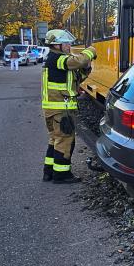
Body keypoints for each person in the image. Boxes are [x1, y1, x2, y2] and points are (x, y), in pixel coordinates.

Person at [41, 29, 97, 184]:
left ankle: (49, 172)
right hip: (60, 110)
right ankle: (61, 175)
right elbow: (77, 61)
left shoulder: (55, 60)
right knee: (65, 140)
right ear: (56, 45)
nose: (69, 46)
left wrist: (86, 69)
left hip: (55, 109)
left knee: (55, 139)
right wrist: (90, 52)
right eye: (65, 43)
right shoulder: (57, 58)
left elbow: (75, 78)